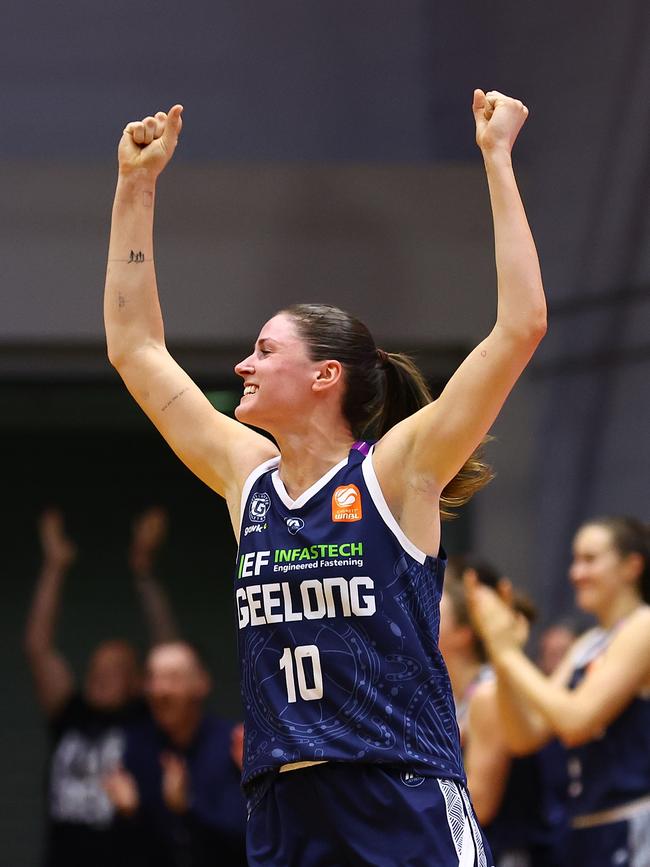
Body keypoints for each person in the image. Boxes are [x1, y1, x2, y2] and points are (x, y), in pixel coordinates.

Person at [104, 88, 546, 865]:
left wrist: (498, 158)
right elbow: (135, 349)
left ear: (325, 375)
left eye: (266, 351)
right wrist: (134, 187)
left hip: (397, 794)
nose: (242, 363)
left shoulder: (400, 471)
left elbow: (521, 326)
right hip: (282, 808)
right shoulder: (251, 479)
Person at [466, 517, 650, 866]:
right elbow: (526, 736)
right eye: (574, 560)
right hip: (584, 831)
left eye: (590, 559)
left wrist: (506, 652)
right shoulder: (589, 643)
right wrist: (503, 659)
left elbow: (576, 721)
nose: (576, 572)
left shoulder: (644, 626)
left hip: (634, 823)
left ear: (632, 566)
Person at [24, 507, 176, 867]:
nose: (99, 675)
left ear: (140, 681)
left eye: (114, 669)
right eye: (96, 668)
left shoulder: (146, 720)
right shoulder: (71, 714)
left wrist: (143, 572)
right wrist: (55, 565)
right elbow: (38, 647)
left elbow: (169, 651)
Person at [440, 561, 567, 866]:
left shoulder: (488, 693)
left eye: (433, 609)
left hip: (512, 854)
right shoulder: (457, 696)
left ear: (464, 633)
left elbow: (479, 806)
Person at [104, 641, 247, 866]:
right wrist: (130, 814)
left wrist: (187, 808)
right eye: (152, 678)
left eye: (173, 678)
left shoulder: (232, 744)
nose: (160, 690)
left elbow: (244, 840)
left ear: (201, 683)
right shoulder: (138, 747)